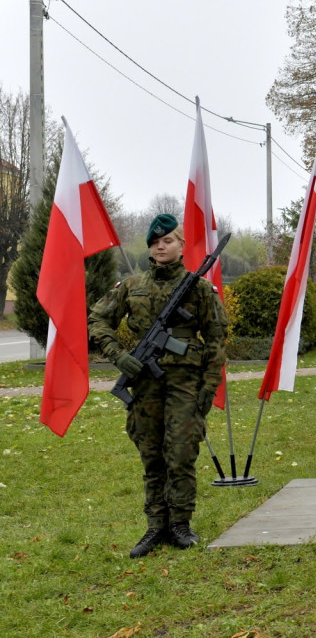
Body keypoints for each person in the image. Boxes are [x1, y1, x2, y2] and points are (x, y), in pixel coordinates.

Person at [88, 214, 228, 557]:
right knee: (151, 456)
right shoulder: (132, 286)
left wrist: (208, 389)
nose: (161, 247)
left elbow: (216, 339)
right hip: (145, 385)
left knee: (180, 454)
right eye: (155, 242)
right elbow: (97, 319)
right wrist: (118, 356)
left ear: (181, 244)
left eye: (167, 241)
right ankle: (155, 527)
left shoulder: (198, 288)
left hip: (185, 384)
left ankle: (180, 525)